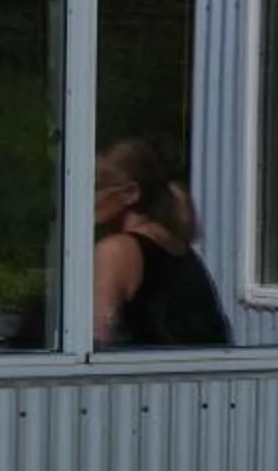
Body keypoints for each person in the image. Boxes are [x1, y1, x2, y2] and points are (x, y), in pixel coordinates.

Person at [94, 138, 230, 347]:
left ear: (130, 193)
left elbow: (98, 338)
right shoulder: (181, 251)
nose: (83, 196)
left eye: (94, 187)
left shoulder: (116, 250)